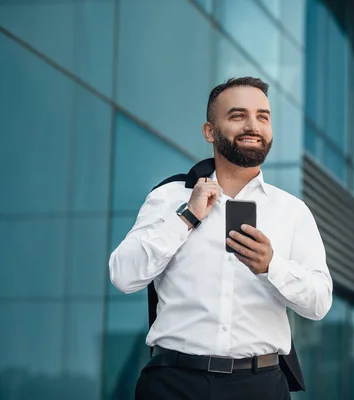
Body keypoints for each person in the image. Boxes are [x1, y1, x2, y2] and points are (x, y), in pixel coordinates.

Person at [109, 76, 333, 400]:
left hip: (261, 387)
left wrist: (272, 266)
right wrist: (187, 217)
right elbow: (123, 275)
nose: (253, 125)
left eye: (263, 116)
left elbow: (319, 302)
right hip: (173, 384)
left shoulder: (292, 211)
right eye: (238, 115)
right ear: (209, 131)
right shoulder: (169, 197)